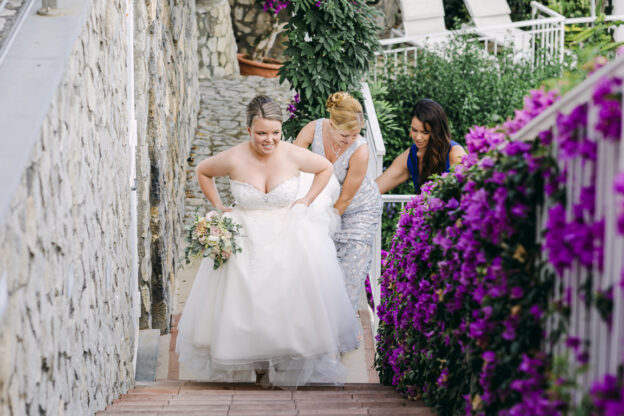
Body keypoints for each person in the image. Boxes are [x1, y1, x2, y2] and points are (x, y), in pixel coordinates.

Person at [175, 95, 360, 387]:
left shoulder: (291, 154)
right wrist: (219, 206)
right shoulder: (234, 156)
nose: (269, 139)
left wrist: (305, 200)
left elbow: (324, 168)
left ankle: (284, 363)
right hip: (246, 237)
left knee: (286, 300)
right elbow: (202, 171)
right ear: (248, 130)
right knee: (246, 302)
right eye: (261, 133)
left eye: (275, 132)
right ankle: (258, 367)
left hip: (288, 234)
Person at [294, 92, 382, 314]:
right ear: (331, 125)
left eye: (356, 134)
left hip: (358, 207)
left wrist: (323, 225)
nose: (351, 140)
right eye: (346, 135)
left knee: (352, 266)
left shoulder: (360, 150)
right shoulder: (313, 129)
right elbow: (292, 162)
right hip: (324, 201)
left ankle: (343, 324)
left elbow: (346, 198)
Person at [376, 99, 466, 194]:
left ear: (437, 132)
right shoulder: (411, 156)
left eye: (425, 132)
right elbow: (377, 187)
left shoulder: (455, 153)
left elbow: (471, 191)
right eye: (414, 130)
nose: (418, 138)